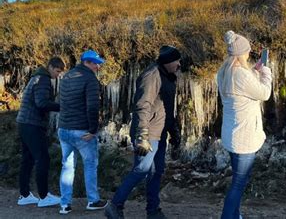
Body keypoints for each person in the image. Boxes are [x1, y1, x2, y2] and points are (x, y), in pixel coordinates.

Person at [105, 45, 182, 219]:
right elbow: (142, 105)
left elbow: (168, 108)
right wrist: (142, 135)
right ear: (168, 61)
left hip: (160, 132)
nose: (179, 64)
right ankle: (115, 206)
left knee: (156, 172)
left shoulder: (169, 77)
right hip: (148, 132)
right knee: (142, 169)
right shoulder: (151, 76)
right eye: (176, 60)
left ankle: (153, 210)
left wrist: (173, 130)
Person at [217, 30, 272, 219]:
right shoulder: (241, 75)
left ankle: (235, 216)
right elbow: (264, 93)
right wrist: (265, 72)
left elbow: (244, 88)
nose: (249, 54)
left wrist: (253, 72)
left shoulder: (224, 72)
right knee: (239, 183)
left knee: (237, 180)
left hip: (232, 136)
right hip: (244, 138)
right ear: (242, 53)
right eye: (247, 51)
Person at [57, 50, 108, 214]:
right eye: (95, 63)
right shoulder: (90, 79)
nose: (98, 66)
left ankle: (65, 204)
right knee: (90, 164)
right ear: (87, 62)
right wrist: (93, 129)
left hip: (64, 128)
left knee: (67, 166)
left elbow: (63, 102)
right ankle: (93, 200)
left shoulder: (67, 76)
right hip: (82, 131)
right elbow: (92, 107)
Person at [16, 57, 65, 207]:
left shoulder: (36, 77)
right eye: (57, 71)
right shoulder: (43, 79)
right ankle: (44, 197)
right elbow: (42, 103)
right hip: (33, 124)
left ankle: (24, 195)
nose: (58, 75)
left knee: (27, 159)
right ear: (50, 67)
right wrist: (62, 107)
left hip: (23, 122)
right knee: (43, 158)